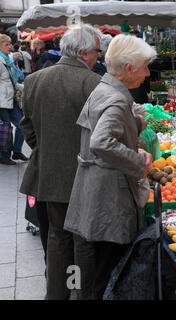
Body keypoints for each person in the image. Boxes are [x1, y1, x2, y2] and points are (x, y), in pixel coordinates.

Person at [64, 34, 155, 300]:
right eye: (145, 67)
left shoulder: (105, 88)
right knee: (106, 273)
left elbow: (103, 128)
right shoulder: (116, 99)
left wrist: (134, 127)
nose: (148, 74)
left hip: (96, 192)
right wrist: (138, 161)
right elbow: (101, 140)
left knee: (99, 271)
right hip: (109, 200)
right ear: (129, 68)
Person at [19, 24, 103, 300]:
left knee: (57, 239)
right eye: (95, 52)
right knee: (82, 242)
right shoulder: (94, 84)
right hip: (85, 176)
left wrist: (45, 151)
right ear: (82, 53)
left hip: (50, 175)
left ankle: (58, 294)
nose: (98, 58)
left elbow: (26, 126)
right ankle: (79, 292)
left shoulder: (34, 80)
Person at [0, 34, 28, 165]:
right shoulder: (0, 61)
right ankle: (4, 156)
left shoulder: (8, 60)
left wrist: (27, 88)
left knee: (22, 124)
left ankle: (17, 151)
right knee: (6, 128)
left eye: (10, 44)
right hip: (2, 100)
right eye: (7, 44)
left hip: (11, 99)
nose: (10, 47)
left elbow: (12, 81)